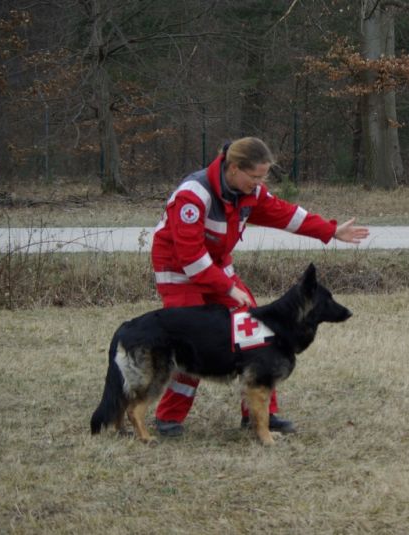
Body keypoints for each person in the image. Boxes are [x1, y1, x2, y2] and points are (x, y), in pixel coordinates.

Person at [150, 136, 369, 437]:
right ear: (234, 168)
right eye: (255, 176)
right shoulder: (192, 195)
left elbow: (285, 213)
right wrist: (227, 288)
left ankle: (260, 415)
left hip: (217, 267)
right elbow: (190, 257)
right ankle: (169, 418)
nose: (260, 182)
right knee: (192, 339)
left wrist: (331, 231)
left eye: (263, 176)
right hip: (179, 272)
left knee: (256, 332)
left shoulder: (248, 192)